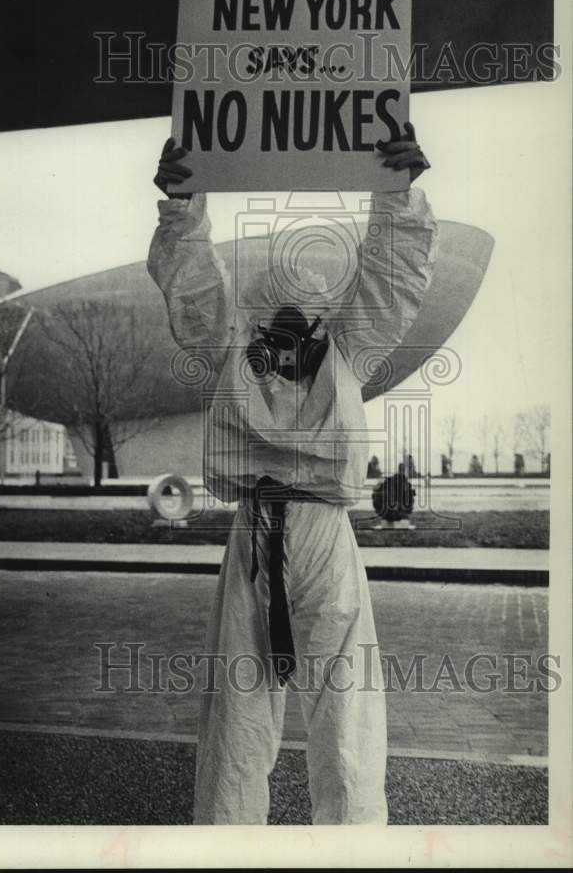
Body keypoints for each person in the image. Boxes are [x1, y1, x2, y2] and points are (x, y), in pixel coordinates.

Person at [147, 125, 438, 825]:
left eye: (297, 329)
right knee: (237, 719)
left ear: (318, 326)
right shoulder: (231, 350)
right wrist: (181, 204)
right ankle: (229, 842)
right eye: (272, 330)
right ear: (254, 324)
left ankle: (351, 843)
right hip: (257, 530)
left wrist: (396, 194)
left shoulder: (344, 355)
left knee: (346, 713)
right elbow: (192, 286)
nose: (283, 345)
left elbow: (389, 285)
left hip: (318, 532)